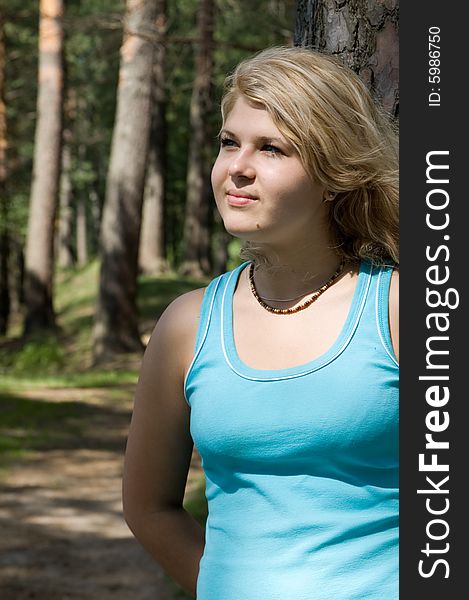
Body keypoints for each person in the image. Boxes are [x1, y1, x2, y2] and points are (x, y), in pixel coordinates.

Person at [122, 46, 399, 600]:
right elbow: (148, 507)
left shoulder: (401, 310)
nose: (237, 168)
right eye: (229, 143)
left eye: (270, 148)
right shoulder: (187, 324)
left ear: (332, 175)